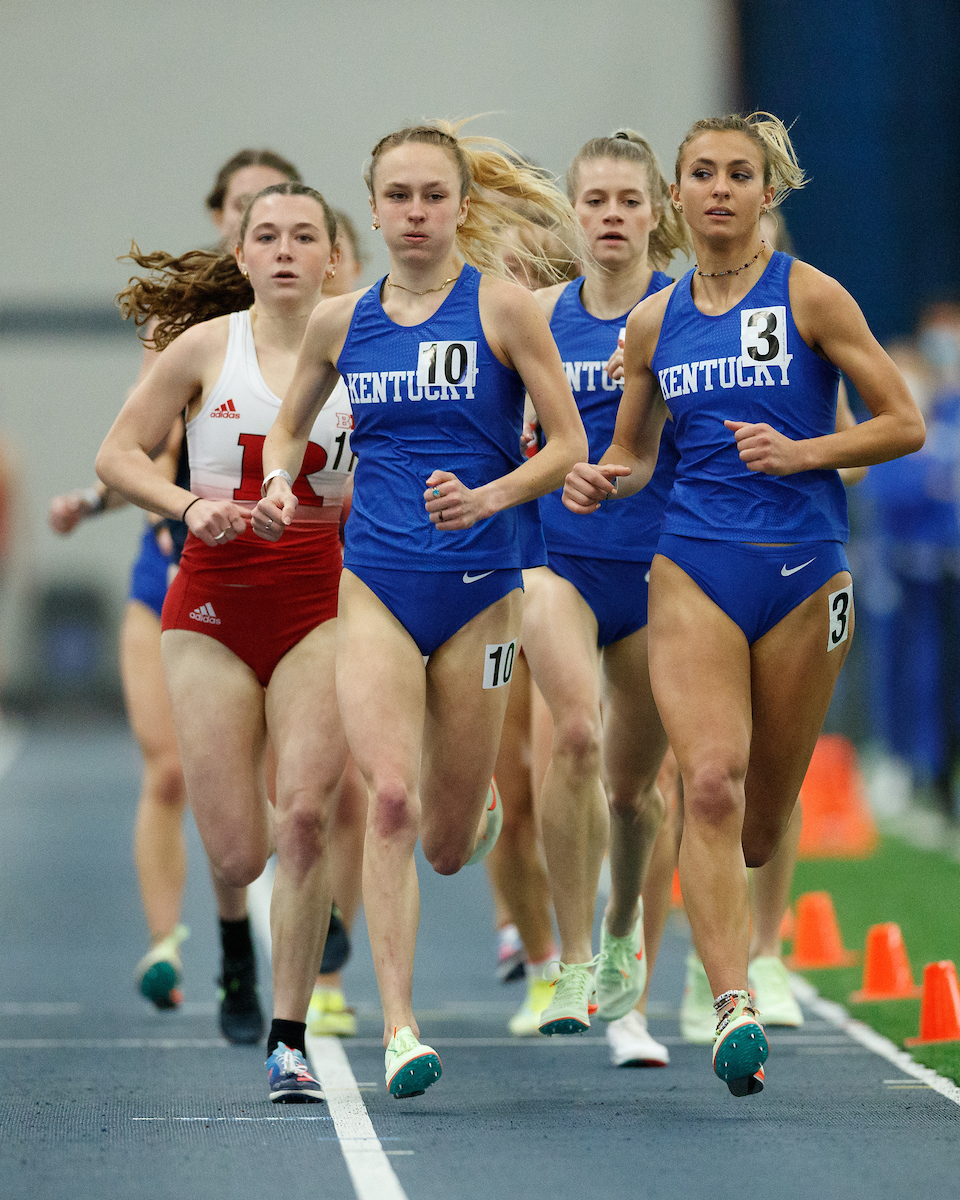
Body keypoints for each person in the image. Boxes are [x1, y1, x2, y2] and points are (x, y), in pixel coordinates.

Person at [563, 111, 924, 1096]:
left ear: (768, 194)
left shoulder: (812, 296)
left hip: (806, 569)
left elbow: (905, 421)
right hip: (694, 566)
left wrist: (804, 453)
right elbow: (634, 451)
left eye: (739, 175)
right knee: (706, 783)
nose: (719, 189)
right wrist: (600, 476)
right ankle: (731, 1005)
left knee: (760, 822)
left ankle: (741, 951)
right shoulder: (653, 322)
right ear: (676, 198)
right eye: (702, 174)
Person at [254, 120, 586, 1098]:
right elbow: (285, 428)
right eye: (397, 196)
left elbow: (564, 446)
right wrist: (281, 481)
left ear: (461, 209)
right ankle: (400, 1026)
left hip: (484, 592)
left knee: (445, 843)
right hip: (379, 584)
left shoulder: (505, 309)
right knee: (388, 800)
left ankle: (470, 802)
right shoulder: (339, 320)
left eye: (431, 196)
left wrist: (491, 497)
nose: (414, 212)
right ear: (374, 207)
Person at [97, 181, 353, 1103]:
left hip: (321, 596)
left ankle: (290, 1038)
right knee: (240, 853)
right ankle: (236, 937)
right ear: (241, 256)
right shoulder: (208, 348)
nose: (285, 251)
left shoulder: (364, 350)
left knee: (306, 817)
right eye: (267, 237)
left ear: (332, 256)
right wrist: (192, 506)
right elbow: (117, 456)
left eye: (304, 237)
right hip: (209, 605)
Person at [48, 149, 301, 1041]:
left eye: (287, 226)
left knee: (305, 787)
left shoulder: (334, 326)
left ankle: (313, 900)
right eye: (246, 215)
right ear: (225, 224)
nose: (265, 235)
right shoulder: (190, 333)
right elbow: (139, 447)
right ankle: (203, 939)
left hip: (304, 571)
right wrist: (138, 503)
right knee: (183, 771)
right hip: (188, 561)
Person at [502, 131, 687, 1052]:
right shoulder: (534, 316)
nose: (611, 217)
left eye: (628, 201)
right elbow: (493, 435)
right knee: (573, 733)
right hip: (556, 562)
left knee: (634, 791)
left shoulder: (690, 315)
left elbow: (715, 448)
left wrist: (633, 464)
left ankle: (622, 941)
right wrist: (543, 463)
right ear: (573, 215)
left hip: (659, 572)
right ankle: (570, 964)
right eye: (595, 202)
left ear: (659, 212)